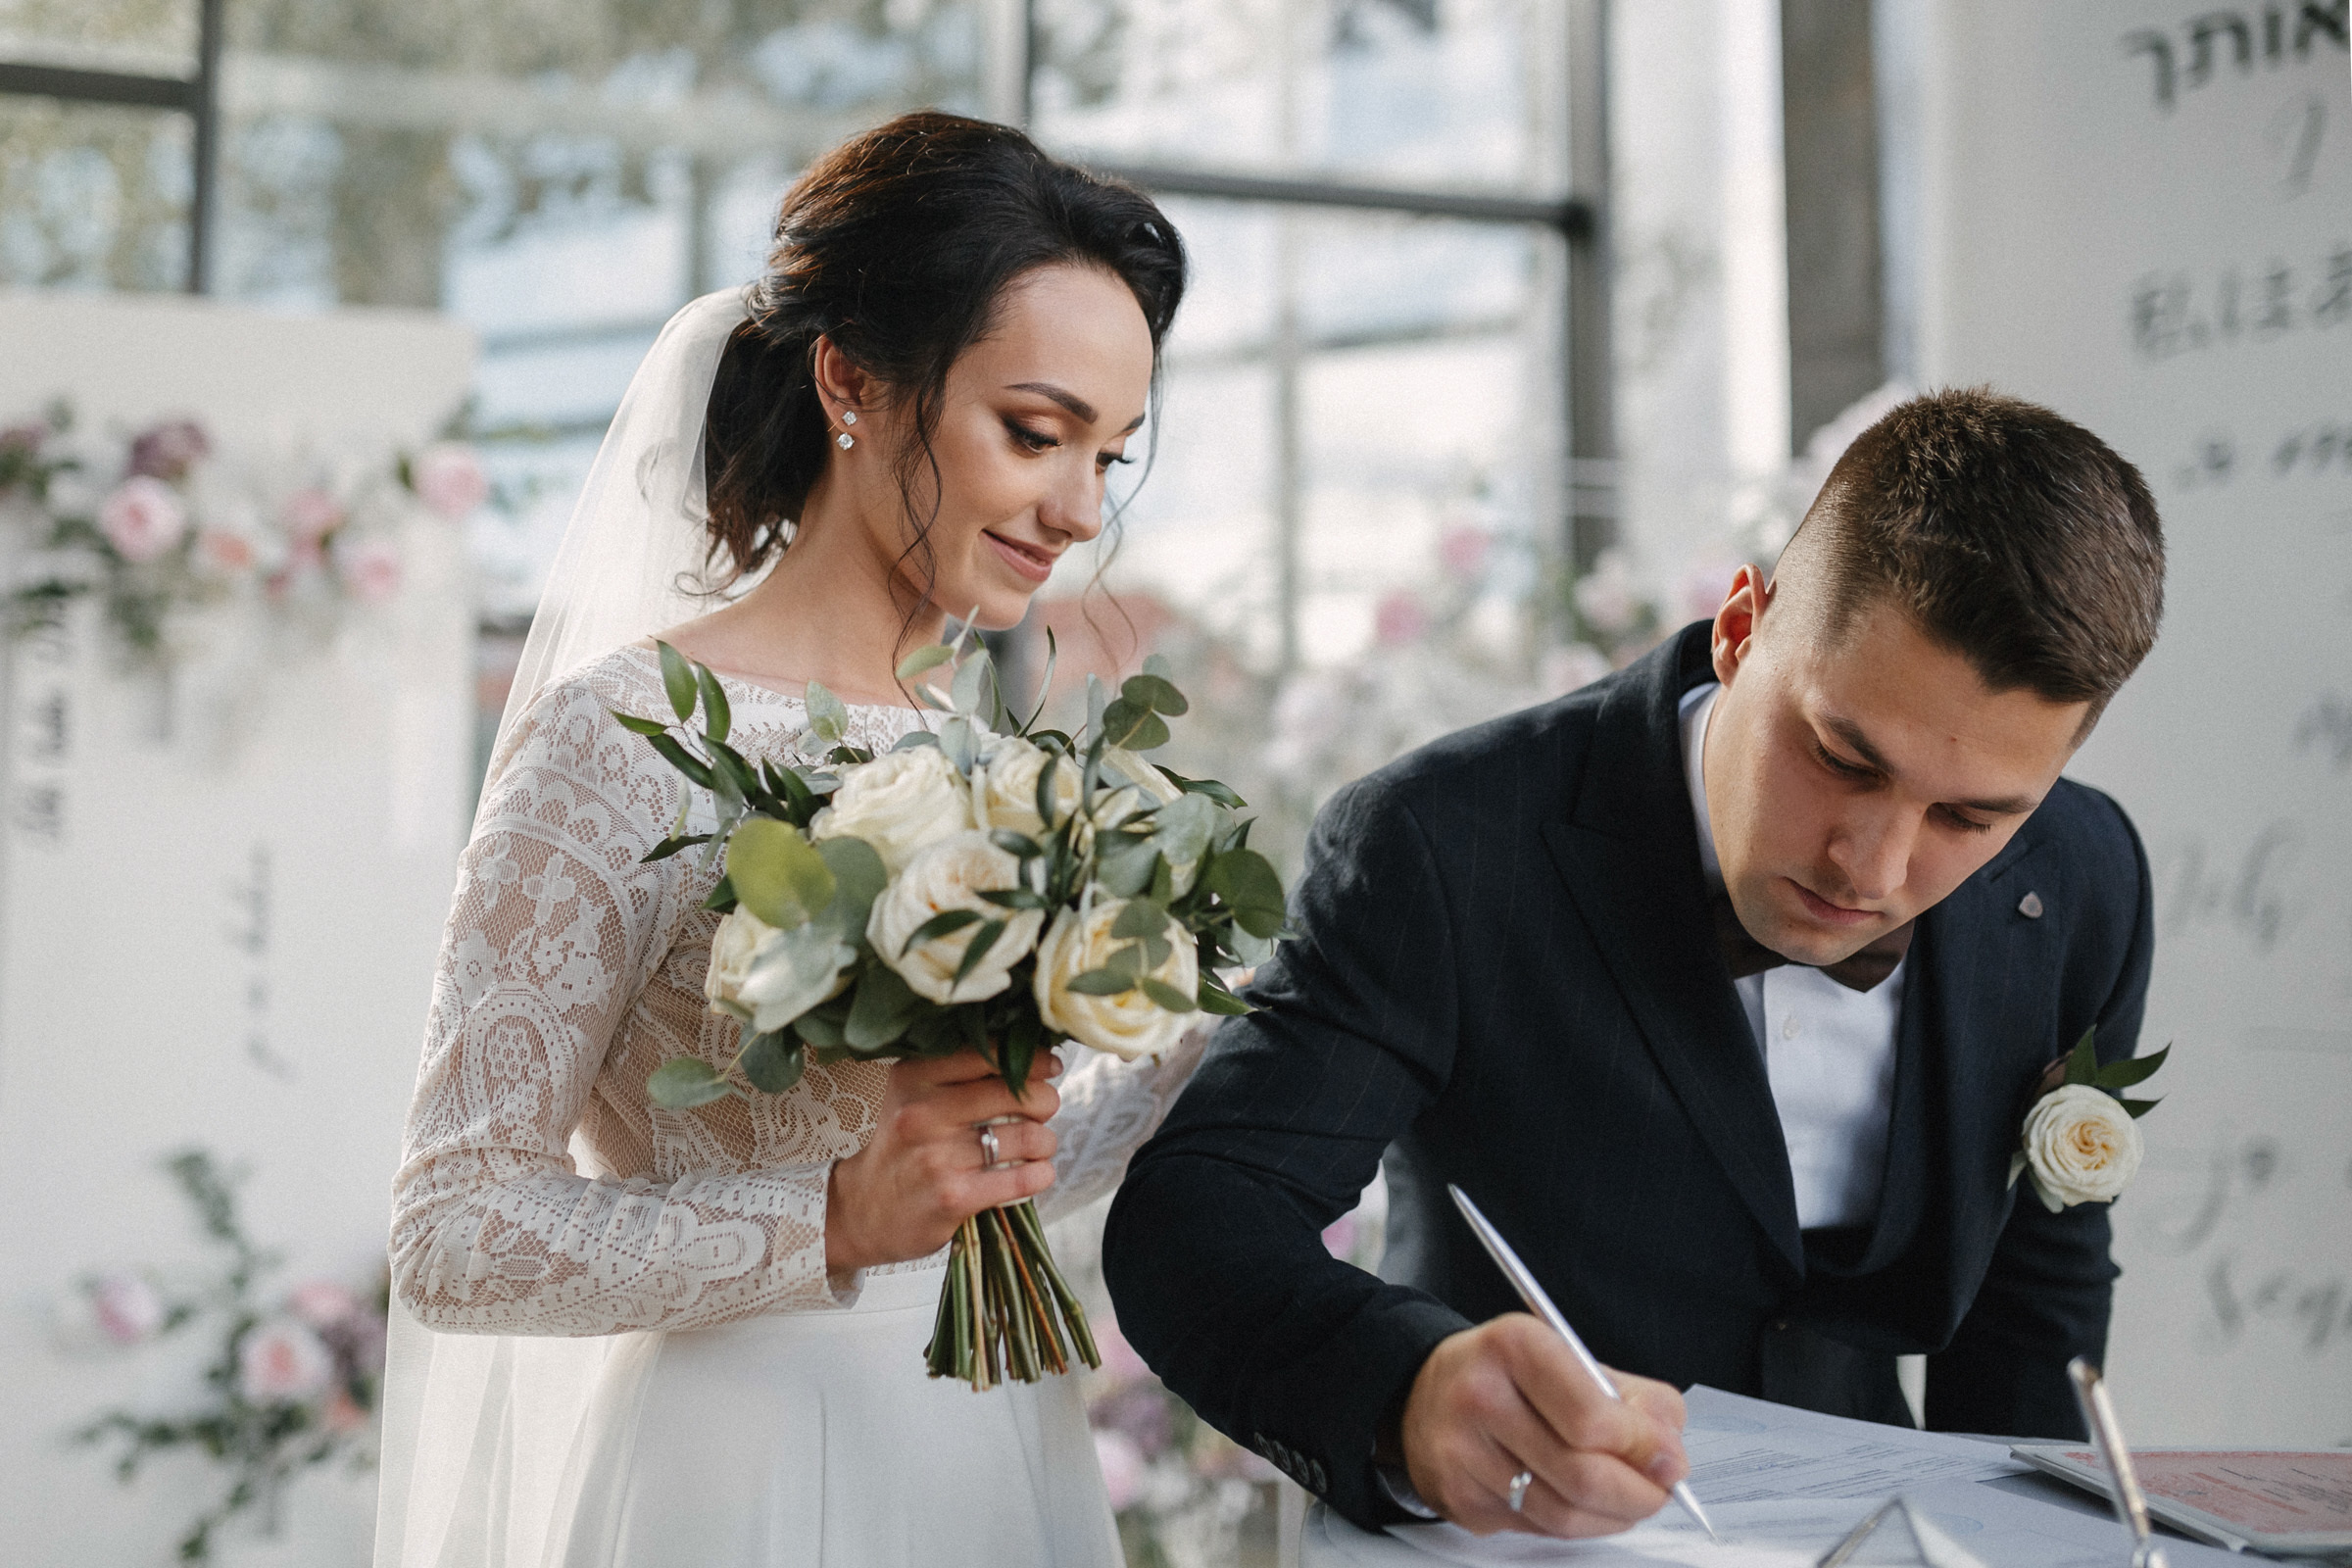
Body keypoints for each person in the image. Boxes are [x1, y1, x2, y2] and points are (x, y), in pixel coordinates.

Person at [1102, 389, 2166, 1541]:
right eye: (1841, 757)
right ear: (1742, 625)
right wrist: (1409, 1396)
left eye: (1968, 817)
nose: (1873, 866)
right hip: (1506, 1543)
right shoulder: (1442, 844)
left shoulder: (2083, 878)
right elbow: (1197, 1216)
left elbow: (2034, 1298)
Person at [373, 113, 1195, 1568]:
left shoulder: (989, 751)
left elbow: (976, 1166)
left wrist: (1214, 1044)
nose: (1078, 510)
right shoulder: (617, 738)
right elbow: (453, 1228)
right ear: (853, 381)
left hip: (994, 1439)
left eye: (1108, 458)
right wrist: (827, 1220)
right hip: (740, 1466)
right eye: (1035, 433)